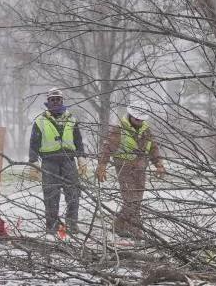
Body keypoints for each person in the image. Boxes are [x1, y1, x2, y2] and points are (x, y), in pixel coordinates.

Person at [95, 101, 164, 239]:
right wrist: (102, 165)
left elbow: (153, 148)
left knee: (137, 200)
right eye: (136, 118)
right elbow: (107, 148)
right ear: (130, 115)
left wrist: (159, 164)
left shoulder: (146, 130)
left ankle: (122, 226)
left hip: (140, 169)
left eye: (141, 119)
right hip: (124, 168)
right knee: (130, 200)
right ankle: (132, 228)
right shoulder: (119, 129)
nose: (139, 121)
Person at [29, 89, 86, 236]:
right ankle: (52, 226)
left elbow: (78, 141)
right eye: (52, 99)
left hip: (69, 161)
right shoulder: (40, 121)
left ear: (62, 101)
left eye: (58, 99)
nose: (55, 102)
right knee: (51, 195)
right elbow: (34, 143)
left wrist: (81, 158)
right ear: (48, 102)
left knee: (73, 194)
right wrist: (33, 163)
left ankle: (72, 225)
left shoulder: (72, 119)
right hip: (49, 163)